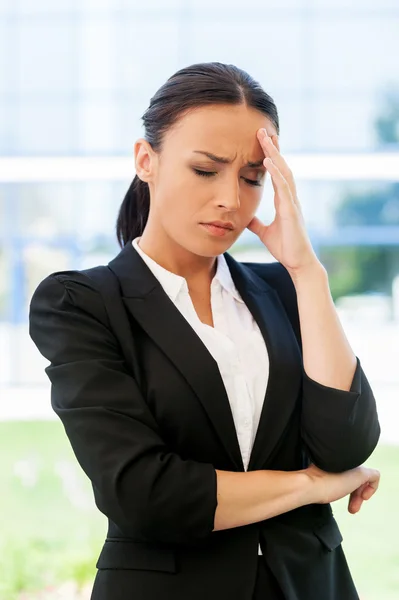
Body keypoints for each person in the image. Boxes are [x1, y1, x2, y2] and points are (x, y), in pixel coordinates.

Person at [29, 62, 381, 600]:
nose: (231, 201)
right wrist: (310, 486)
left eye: (252, 178)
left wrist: (307, 273)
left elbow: (346, 443)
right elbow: (146, 495)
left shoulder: (286, 291)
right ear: (146, 160)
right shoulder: (82, 303)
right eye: (205, 170)